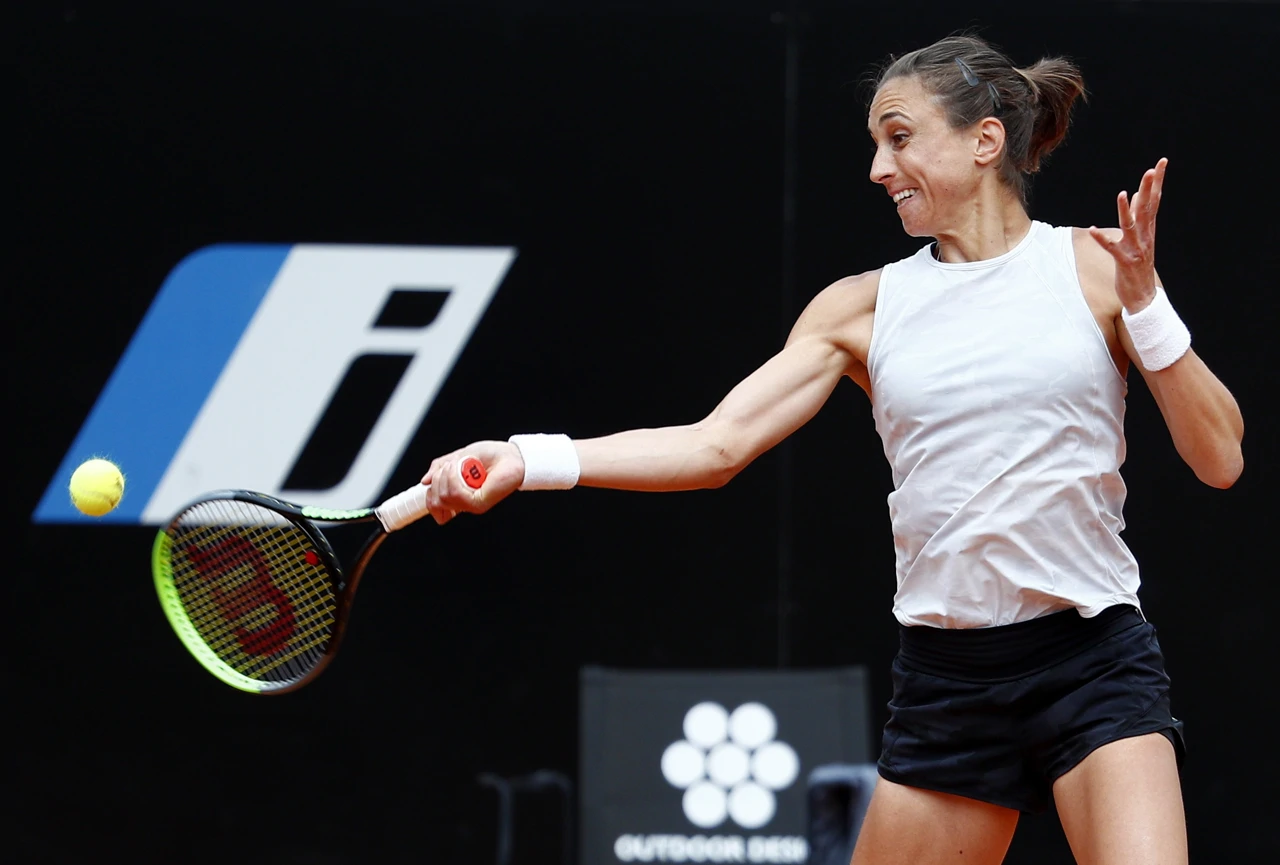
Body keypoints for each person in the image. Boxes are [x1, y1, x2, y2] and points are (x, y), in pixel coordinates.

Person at [419, 34, 1243, 865]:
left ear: (985, 141)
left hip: (1093, 661)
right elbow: (716, 445)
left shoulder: (1098, 270)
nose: (879, 170)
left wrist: (1147, 307)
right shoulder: (860, 309)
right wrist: (531, 457)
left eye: (900, 137)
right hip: (949, 682)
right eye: (876, 145)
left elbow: (1220, 459)